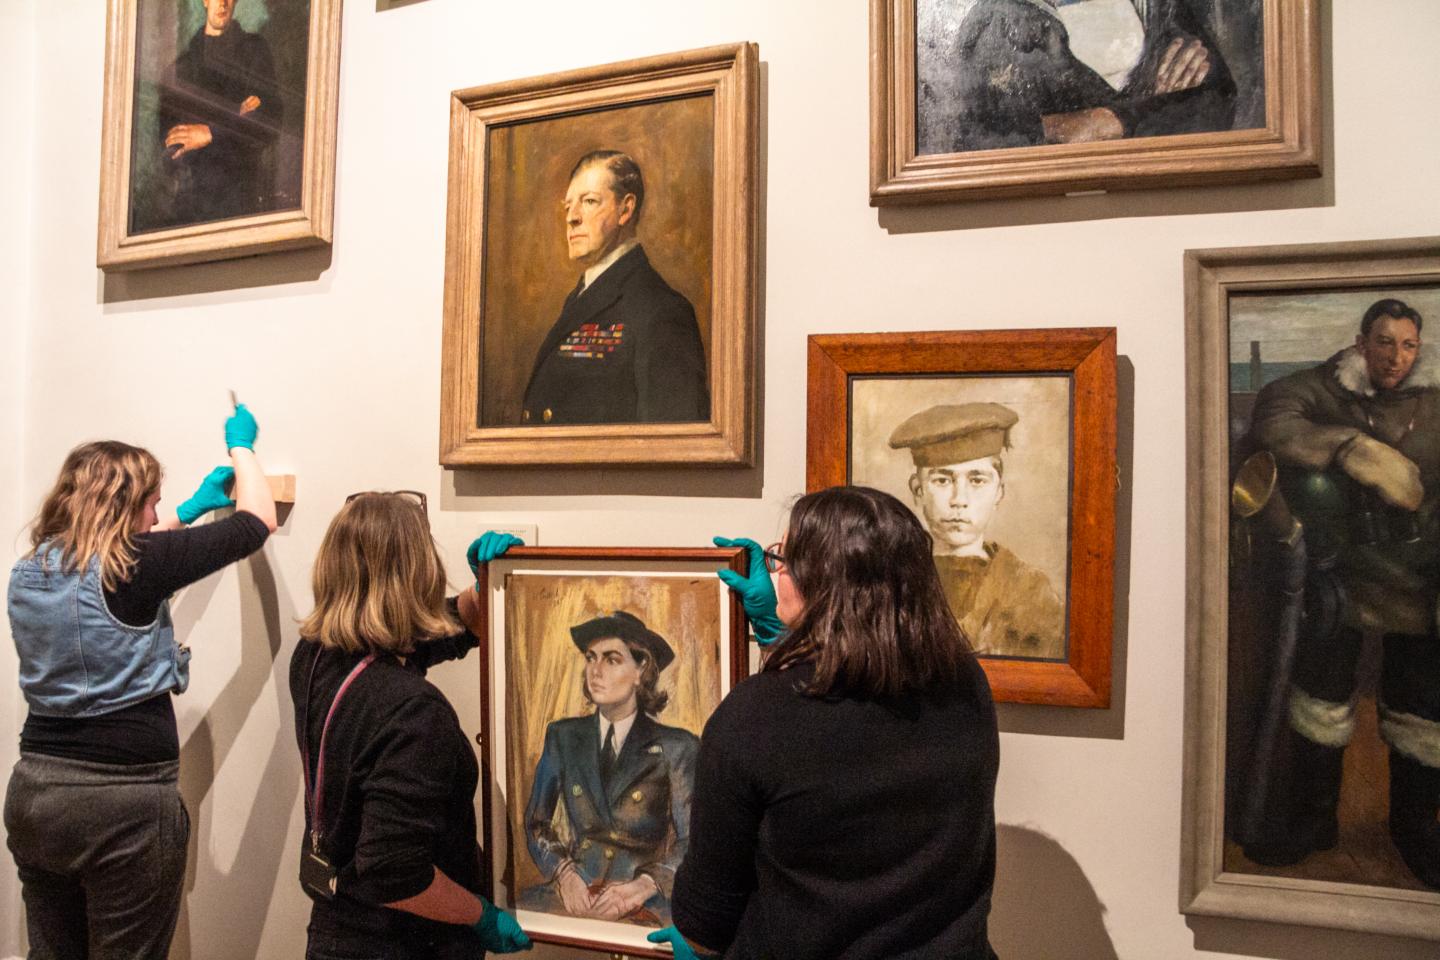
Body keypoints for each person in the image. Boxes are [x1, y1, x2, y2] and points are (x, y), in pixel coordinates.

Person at [648, 486, 1000, 959]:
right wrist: (787, 640)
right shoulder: (965, 682)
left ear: (821, 581)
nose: (777, 571)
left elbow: (704, 923)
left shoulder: (754, 717)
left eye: (785, 558)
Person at [4, 405, 276, 959]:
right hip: (120, 808)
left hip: (36, 795)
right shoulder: (135, 564)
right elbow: (256, 524)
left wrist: (191, 509)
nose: (155, 519)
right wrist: (242, 449)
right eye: (150, 505)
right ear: (124, 506)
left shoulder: (32, 569)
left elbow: (125, 561)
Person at [1240, 298, 1440, 888]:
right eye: (1384, 343)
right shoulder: (1317, 388)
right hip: (1338, 573)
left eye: (1407, 345)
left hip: (1422, 576)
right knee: (1320, 696)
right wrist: (1354, 448)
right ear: (1361, 343)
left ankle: (1415, 826)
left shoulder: (1435, 403)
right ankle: (1312, 818)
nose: (1395, 358)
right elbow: (1273, 425)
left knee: (1422, 707)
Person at [291, 510, 530, 959]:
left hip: (336, 929)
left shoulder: (315, 657)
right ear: (419, 576)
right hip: (409, 942)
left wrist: (484, 589)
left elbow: (439, 628)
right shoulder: (413, 711)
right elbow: (395, 872)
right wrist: (480, 916)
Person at [520, 611, 699, 926]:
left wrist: (645, 885)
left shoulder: (678, 747)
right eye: (591, 658)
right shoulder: (563, 736)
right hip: (577, 896)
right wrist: (564, 874)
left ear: (641, 670)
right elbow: (537, 823)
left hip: (644, 903)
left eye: (612, 660)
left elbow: (693, 839)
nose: (595, 671)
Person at [520, 150, 709, 426]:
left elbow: (669, 446)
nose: (572, 217)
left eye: (589, 201)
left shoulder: (662, 311)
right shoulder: (580, 297)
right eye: (568, 206)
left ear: (626, 208)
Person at [889, 402, 1065, 659]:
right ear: (918, 490)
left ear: (999, 491)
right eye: (942, 480)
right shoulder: (891, 581)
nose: (959, 499)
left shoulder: (1031, 592)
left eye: (977, 480)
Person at [946, 0, 1235, 152]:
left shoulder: (1156, 7)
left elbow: (1215, 100)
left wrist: (1107, 121)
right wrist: (1152, 108)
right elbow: (1007, 143)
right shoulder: (999, 22)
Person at [152, 0, 283, 228]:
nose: (222, 3)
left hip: (241, 203)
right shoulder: (180, 69)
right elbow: (171, 149)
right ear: (204, 1)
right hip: (190, 209)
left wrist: (210, 133)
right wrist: (237, 116)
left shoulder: (254, 51)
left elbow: (268, 123)